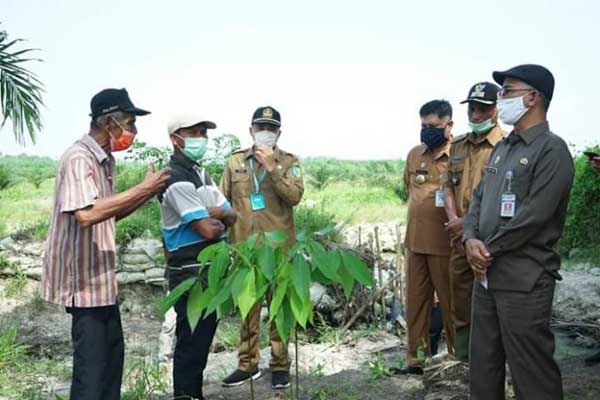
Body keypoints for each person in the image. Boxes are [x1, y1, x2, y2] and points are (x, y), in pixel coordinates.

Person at [41, 88, 169, 400]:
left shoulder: (104, 161)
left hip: (101, 283)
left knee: (110, 365)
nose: (133, 131)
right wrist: (143, 188)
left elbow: (108, 212)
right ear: (109, 121)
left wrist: (145, 193)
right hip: (83, 285)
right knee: (92, 376)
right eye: (129, 122)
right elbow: (86, 214)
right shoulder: (78, 158)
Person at [463, 64, 574, 400]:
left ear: (533, 97)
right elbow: (478, 200)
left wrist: (485, 250)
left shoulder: (552, 150)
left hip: (523, 281)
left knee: (531, 373)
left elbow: (534, 218)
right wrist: (470, 238)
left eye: (508, 91)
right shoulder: (505, 147)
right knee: (483, 367)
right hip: (486, 278)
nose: (501, 98)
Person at [220, 106, 304, 390]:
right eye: (260, 127)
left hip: (279, 252)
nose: (264, 132)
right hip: (246, 251)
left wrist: (272, 168)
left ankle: (280, 365)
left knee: (280, 309)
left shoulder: (289, 162)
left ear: (279, 132)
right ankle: (247, 364)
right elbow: (223, 202)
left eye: (270, 128)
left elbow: (295, 197)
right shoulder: (234, 162)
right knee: (248, 311)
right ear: (251, 130)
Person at [158, 114, 237, 400]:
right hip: (190, 273)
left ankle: (193, 394)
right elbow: (207, 229)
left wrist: (217, 214)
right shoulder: (174, 177)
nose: (201, 138)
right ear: (176, 138)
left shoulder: (201, 174)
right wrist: (215, 215)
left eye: (203, 132)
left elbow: (232, 215)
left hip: (210, 271)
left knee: (202, 341)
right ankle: (186, 396)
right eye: (194, 132)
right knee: (191, 343)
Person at [443, 82, 503, 362]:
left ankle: (492, 362)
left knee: (492, 301)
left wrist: (466, 222)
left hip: (489, 238)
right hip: (459, 240)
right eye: (473, 109)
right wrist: (454, 219)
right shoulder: (457, 146)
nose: (476, 115)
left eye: (483, 109)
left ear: (495, 110)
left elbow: (502, 195)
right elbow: (446, 187)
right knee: (461, 300)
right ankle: (464, 360)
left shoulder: (505, 146)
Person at [399, 99, 455, 375]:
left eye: (432, 126)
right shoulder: (414, 154)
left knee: (451, 305)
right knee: (416, 305)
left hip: (446, 245)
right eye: (422, 126)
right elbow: (409, 189)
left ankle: (459, 358)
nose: (426, 131)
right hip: (415, 243)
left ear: (448, 125)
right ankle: (416, 360)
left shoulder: (459, 155)